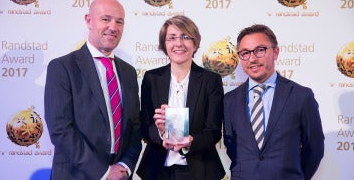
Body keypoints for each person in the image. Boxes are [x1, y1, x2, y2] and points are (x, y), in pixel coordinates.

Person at [44, 0, 142, 180]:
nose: (113, 27)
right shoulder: (63, 67)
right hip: (76, 175)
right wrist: (104, 173)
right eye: (106, 19)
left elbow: (134, 128)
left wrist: (124, 165)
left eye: (119, 22)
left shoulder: (128, 72)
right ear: (89, 20)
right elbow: (60, 130)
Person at [223, 24, 324, 180]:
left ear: (275, 52)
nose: (252, 59)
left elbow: (315, 149)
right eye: (245, 53)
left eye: (260, 50)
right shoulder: (230, 101)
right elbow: (232, 148)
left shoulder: (301, 96)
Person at [136, 15, 225, 180]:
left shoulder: (211, 80)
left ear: (195, 43)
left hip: (199, 170)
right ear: (164, 44)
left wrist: (190, 141)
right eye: (171, 38)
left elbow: (213, 132)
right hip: (157, 170)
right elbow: (145, 126)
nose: (178, 43)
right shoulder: (151, 78)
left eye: (185, 37)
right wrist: (161, 134)